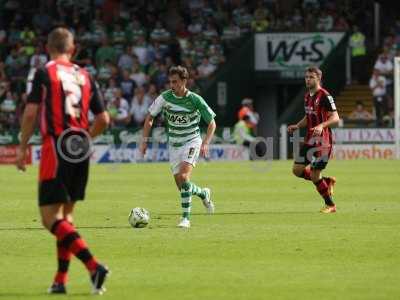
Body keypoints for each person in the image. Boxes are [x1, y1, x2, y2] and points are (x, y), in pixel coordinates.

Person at [15, 28, 110, 294]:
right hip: (79, 148)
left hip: (55, 147)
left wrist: (22, 148)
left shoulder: (45, 72)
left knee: (49, 219)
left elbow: (31, 112)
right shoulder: (86, 75)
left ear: (48, 47)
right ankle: (60, 281)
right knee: (66, 217)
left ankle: (94, 266)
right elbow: (104, 120)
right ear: (73, 48)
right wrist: (84, 138)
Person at [140, 66, 216, 228]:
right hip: (174, 144)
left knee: (183, 177)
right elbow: (150, 118)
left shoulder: (195, 99)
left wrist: (206, 142)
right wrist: (144, 140)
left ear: (184, 81)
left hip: (191, 141)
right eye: (170, 82)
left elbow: (212, 123)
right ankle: (204, 193)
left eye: (175, 82)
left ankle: (185, 219)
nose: (172, 85)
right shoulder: (165, 98)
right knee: (182, 186)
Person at [288, 66, 340, 213]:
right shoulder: (307, 96)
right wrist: (297, 126)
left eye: (311, 77)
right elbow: (308, 115)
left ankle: (330, 205)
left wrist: (322, 125)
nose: (307, 80)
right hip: (310, 140)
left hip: (323, 142)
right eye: (306, 77)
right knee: (297, 170)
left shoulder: (325, 96)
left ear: (318, 78)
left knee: (315, 174)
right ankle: (326, 182)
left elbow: (335, 117)